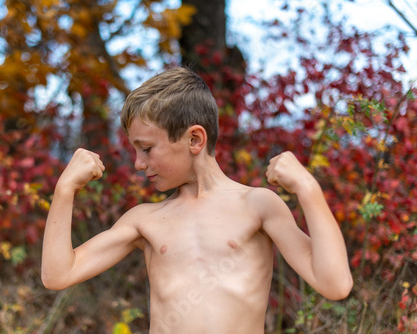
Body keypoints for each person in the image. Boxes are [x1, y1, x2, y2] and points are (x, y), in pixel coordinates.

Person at [41, 67, 353, 333]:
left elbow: (335, 284)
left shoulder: (258, 206)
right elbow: (58, 275)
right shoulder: (144, 220)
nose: (138, 163)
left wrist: (308, 189)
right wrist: (64, 190)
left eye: (146, 148)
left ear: (194, 139)